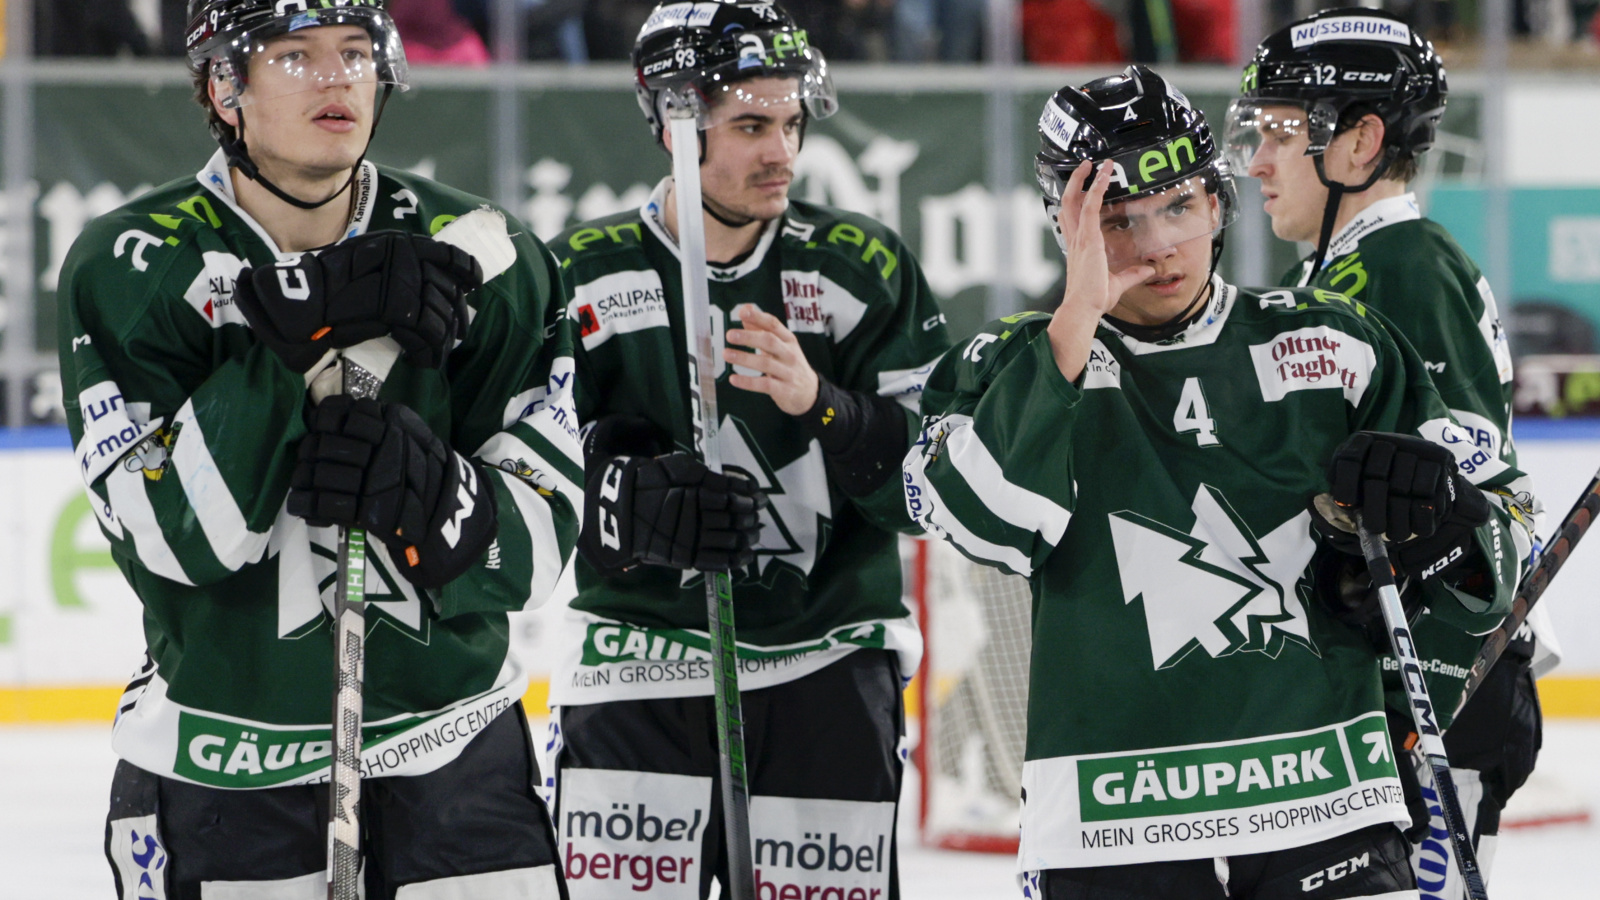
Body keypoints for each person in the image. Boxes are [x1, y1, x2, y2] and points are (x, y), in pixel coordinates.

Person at [904, 64, 1536, 899]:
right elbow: (982, 527)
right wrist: (1071, 327)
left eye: (1179, 205)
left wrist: (1446, 517)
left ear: (1216, 201)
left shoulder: (1336, 342)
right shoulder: (1009, 364)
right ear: (1068, 226)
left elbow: (1505, 537)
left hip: (1328, 804)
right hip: (1109, 826)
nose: (1161, 245)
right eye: (1119, 221)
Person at [60, 1, 580, 896]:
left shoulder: (484, 257)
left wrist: (436, 499)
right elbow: (172, 538)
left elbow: (539, 541)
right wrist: (291, 342)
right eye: (295, 56)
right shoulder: (132, 265)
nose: (338, 75)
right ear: (226, 85)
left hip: (456, 748)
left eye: (355, 51)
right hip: (222, 764)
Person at [545, 3, 951, 898]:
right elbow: (523, 481)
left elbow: (930, 483)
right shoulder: (578, 274)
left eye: (791, 122)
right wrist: (625, 501)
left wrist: (825, 407)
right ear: (670, 123)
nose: (783, 152)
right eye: (751, 125)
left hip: (827, 657)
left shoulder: (860, 267)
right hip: (636, 660)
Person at [1226, 9, 1550, 894]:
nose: (1256, 161)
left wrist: (1431, 687)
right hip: (1398, 696)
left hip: (1440, 690)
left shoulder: (1401, 266)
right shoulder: (1338, 275)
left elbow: (1480, 509)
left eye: (1281, 133)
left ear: (1360, 141)